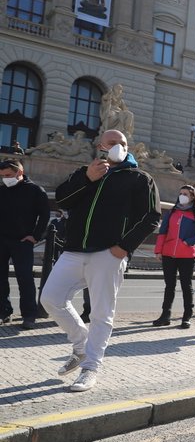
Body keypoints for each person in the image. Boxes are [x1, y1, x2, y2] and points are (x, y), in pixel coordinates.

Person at [40, 130, 161, 392]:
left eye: (123, 144)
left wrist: (123, 247)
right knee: (50, 298)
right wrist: (87, 178)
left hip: (108, 253)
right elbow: (62, 198)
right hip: (74, 250)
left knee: (101, 313)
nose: (118, 147)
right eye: (112, 143)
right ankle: (82, 344)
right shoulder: (85, 172)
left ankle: (90, 367)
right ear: (100, 147)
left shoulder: (140, 178)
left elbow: (152, 217)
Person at [0, 160, 49, 329]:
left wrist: (35, 236)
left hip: (22, 241)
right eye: (2, 176)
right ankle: (4, 312)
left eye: (8, 175)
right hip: (2, 240)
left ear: (19, 172)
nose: (5, 179)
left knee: (25, 279)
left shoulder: (35, 190)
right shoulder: (2, 190)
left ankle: (29, 315)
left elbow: (44, 215)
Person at [153, 185, 195, 329]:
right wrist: (158, 250)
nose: (182, 196)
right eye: (180, 193)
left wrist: (187, 242)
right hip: (168, 254)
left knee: (186, 286)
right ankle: (165, 316)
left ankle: (186, 316)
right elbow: (163, 232)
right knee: (169, 286)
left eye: (185, 194)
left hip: (187, 255)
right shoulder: (172, 212)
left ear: (192, 197)